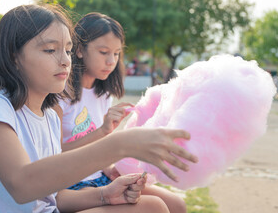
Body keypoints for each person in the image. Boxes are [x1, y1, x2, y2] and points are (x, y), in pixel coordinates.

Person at [0, 5, 198, 213]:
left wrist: (105, 195)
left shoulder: (48, 116)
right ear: (14, 56)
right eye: (50, 50)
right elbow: (22, 185)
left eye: (68, 50)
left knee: (154, 206)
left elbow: (55, 197)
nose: (65, 60)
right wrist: (121, 144)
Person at [54, 12, 192, 213]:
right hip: (72, 185)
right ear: (80, 50)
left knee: (177, 205)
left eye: (117, 53)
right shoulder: (60, 94)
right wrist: (102, 131)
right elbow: (55, 155)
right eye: (103, 52)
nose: (111, 61)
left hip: (100, 176)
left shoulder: (103, 94)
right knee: (156, 208)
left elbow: (97, 147)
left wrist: (110, 168)